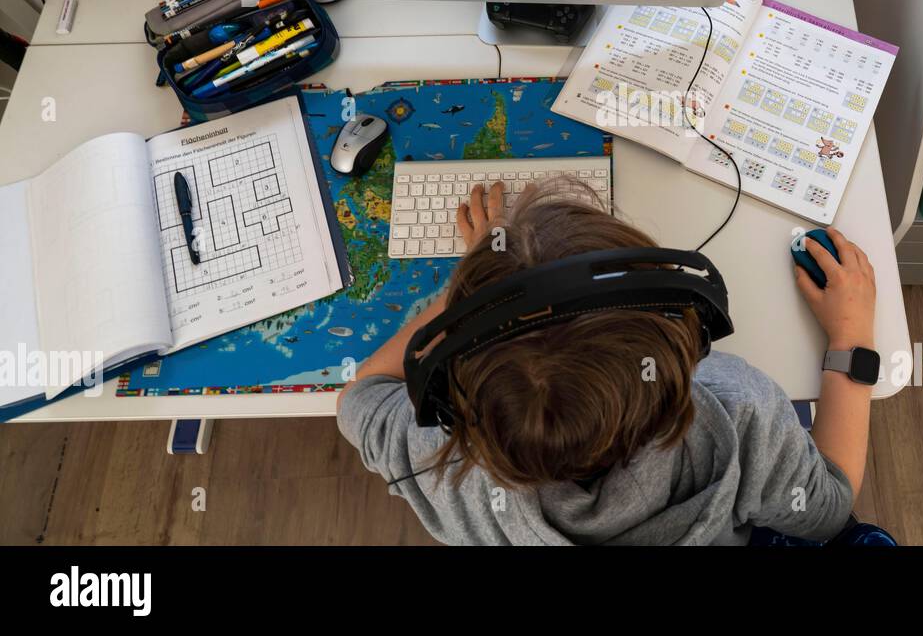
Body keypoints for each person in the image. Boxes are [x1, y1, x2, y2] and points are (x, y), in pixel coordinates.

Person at [338, 177, 879, 545]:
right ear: (677, 336)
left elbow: (359, 396)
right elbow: (828, 510)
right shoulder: (737, 409)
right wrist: (851, 334)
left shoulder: (449, 469)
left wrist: (477, 284)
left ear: (454, 399)